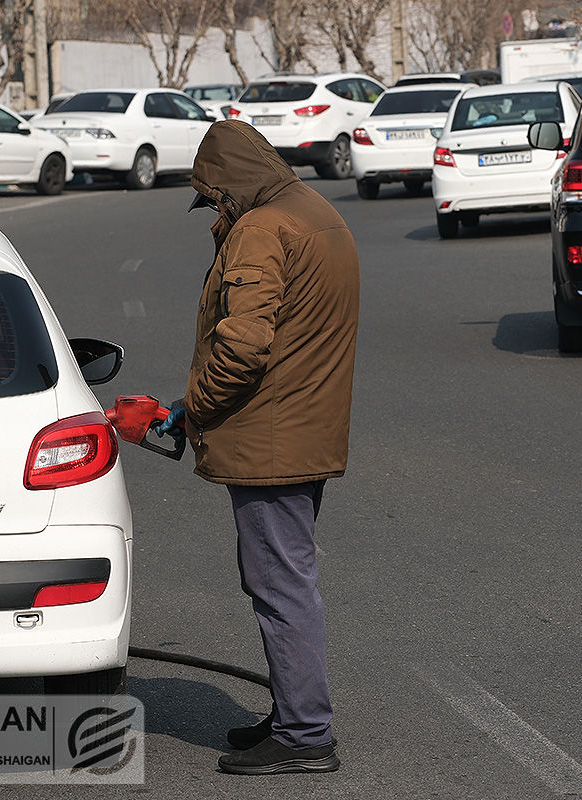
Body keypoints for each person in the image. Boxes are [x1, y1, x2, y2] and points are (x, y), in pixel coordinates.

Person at [158, 119, 359, 775]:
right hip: (301, 426)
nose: (214, 210)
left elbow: (242, 348)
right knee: (281, 577)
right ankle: (293, 712)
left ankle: (304, 735)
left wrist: (198, 408)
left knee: (279, 585)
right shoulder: (315, 212)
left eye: (214, 198)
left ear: (230, 185)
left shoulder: (259, 229)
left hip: (272, 441)